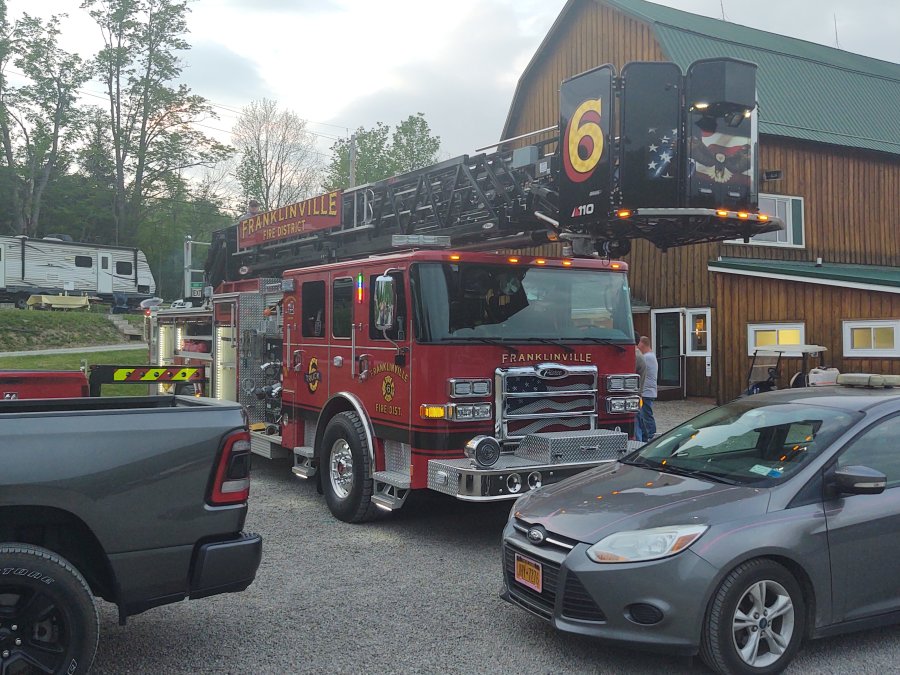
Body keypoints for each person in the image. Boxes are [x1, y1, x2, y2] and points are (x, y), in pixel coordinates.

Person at [637, 335, 658, 440]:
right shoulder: (650, 356)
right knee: (644, 415)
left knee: (646, 416)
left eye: (638, 343)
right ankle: (648, 435)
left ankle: (651, 435)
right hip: (649, 391)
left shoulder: (646, 357)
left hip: (646, 392)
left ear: (642, 343)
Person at [634, 338, 646, 441]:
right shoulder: (639, 355)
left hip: (635, 394)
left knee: (636, 423)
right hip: (638, 394)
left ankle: (638, 444)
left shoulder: (636, 356)